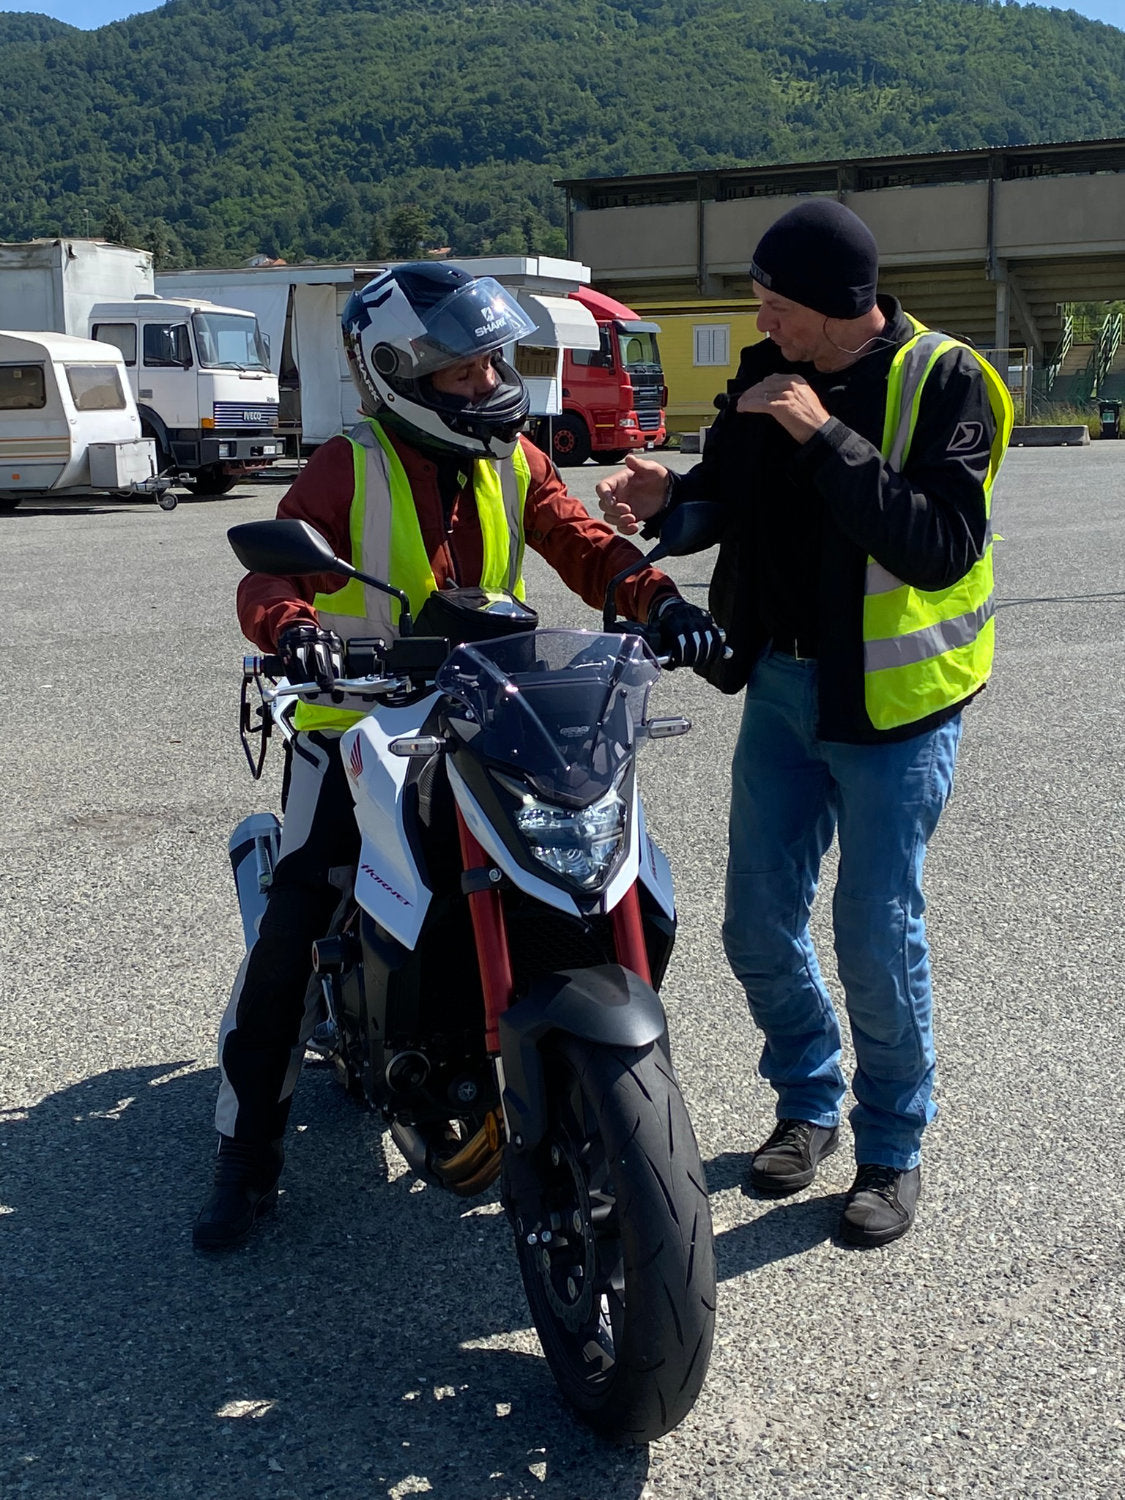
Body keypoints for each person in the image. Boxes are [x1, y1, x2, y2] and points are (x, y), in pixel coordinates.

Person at [193, 262, 724, 1251]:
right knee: (297, 925)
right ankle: (245, 1150)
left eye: (492, 361)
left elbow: (580, 543)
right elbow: (270, 581)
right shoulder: (348, 466)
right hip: (356, 721)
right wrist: (296, 628)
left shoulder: (511, 457)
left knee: (600, 870)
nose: (488, 383)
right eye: (464, 370)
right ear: (401, 373)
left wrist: (661, 604)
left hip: (488, 708)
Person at [596, 200, 1013, 1247]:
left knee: (875, 937)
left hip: (895, 710)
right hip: (780, 690)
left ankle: (891, 1146)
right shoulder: (760, 374)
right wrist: (664, 503)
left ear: (838, 305)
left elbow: (938, 546)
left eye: (778, 303)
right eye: (760, 300)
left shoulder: (948, 382)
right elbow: (722, 502)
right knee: (753, 923)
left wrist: (823, 434)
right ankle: (810, 1101)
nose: (763, 318)